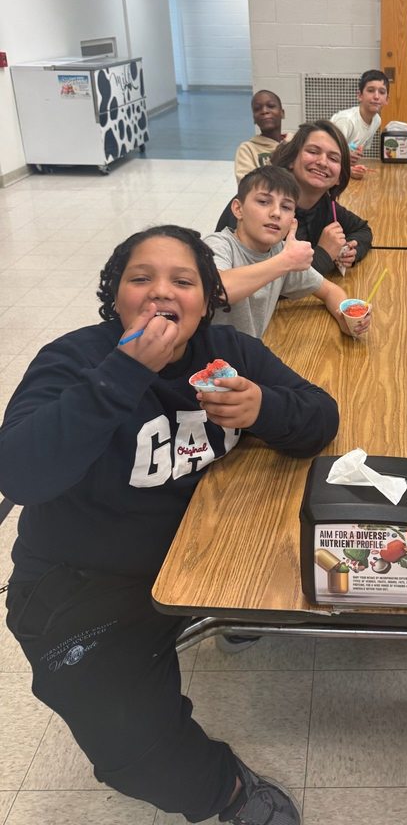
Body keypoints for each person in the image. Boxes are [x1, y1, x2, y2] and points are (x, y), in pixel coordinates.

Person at [0, 225, 339, 825]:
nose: (161, 293)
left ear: (208, 298)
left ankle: (226, 622)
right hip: (84, 581)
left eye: (182, 281)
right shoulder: (74, 359)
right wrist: (122, 374)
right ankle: (226, 790)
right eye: (141, 279)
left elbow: (320, 416)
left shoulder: (227, 353)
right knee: (130, 749)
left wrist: (266, 408)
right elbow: (21, 473)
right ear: (116, 297)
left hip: (204, 555)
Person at [205, 165, 370, 339]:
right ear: (238, 209)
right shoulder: (218, 245)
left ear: (292, 219)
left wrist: (344, 316)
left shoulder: (279, 252)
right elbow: (216, 290)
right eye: (263, 202)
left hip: (247, 354)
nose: (276, 213)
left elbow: (330, 291)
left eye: (286, 207)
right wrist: (285, 262)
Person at [271, 120, 373, 277]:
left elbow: (362, 230)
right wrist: (325, 254)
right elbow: (265, 282)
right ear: (292, 160)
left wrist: (352, 250)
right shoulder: (266, 206)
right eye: (313, 151)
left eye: (333, 158)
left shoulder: (325, 205)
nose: (322, 162)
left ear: (340, 176)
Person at [331, 69, 389, 179]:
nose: (376, 96)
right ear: (360, 95)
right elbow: (327, 157)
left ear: (387, 99)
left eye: (382, 92)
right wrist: (347, 171)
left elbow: (355, 154)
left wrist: (352, 165)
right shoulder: (346, 120)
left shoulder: (377, 120)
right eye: (371, 90)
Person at [234, 89, 293, 183]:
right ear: (254, 118)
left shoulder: (295, 142)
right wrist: (273, 162)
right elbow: (246, 186)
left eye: (271, 106)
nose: (264, 111)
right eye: (257, 109)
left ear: (282, 113)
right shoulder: (247, 149)